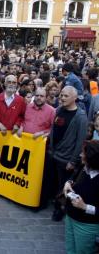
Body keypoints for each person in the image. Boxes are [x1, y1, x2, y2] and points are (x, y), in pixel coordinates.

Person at [50, 86, 88, 221]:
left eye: (66, 96)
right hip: (54, 154)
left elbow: (80, 141)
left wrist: (72, 160)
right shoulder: (59, 110)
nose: (62, 98)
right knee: (54, 183)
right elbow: (54, 130)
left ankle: (60, 209)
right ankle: (55, 203)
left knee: (63, 186)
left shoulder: (81, 117)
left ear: (74, 98)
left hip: (66, 159)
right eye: (61, 95)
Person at [63, 140, 99, 254]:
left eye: (83, 153)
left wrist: (84, 207)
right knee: (70, 250)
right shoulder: (84, 167)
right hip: (70, 217)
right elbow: (74, 176)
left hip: (87, 226)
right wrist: (68, 182)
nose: (80, 155)